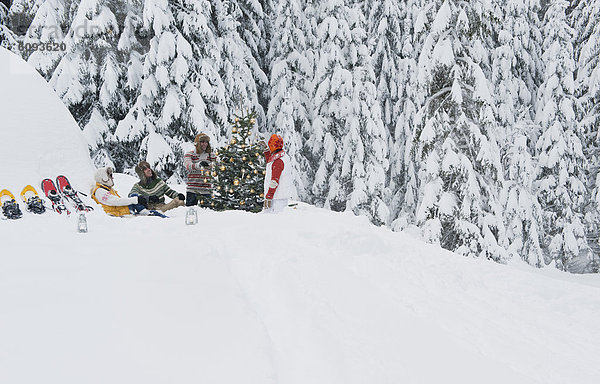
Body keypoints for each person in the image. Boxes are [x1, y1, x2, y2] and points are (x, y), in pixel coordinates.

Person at [258, 134, 293, 213]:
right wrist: (266, 150)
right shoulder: (282, 157)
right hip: (280, 197)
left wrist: (269, 196)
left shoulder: (278, 162)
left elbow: (274, 181)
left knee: (273, 222)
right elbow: (270, 161)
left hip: (276, 200)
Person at [184, 133, 217, 207]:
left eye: (206, 142)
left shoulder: (211, 155)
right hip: (192, 189)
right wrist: (199, 165)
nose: (204, 144)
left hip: (206, 190)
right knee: (190, 212)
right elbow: (188, 165)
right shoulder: (190, 154)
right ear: (197, 143)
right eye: (202, 142)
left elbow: (218, 165)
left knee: (207, 214)